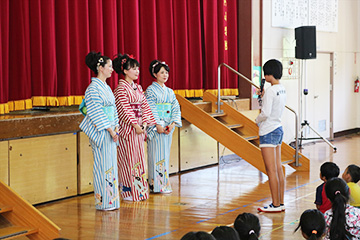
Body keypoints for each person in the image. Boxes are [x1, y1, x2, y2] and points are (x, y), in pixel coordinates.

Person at [79, 51, 120, 210]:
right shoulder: (92, 89)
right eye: (109, 66)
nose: (111, 69)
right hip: (102, 131)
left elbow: (113, 109)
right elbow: (95, 111)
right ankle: (103, 201)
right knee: (102, 166)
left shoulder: (107, 88)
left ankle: (113, 199)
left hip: (111, 130)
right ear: (100, 68)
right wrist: (110, 129)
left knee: (111, 165)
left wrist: (116, 127)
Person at [113, 53, 156, 202]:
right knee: (127, 160)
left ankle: (140, 190)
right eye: (133, 68)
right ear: (124, 71)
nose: (137, 71)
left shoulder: (137, 88)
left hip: (139, 128)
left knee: (139, 159)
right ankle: (128, 191)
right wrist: (135, 124)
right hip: (128, 129)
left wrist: (144, 123)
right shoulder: (120, 89)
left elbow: (144, 105)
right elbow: (124, 109)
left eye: (137, 68)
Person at [145, 60, 182, 193]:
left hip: (168, 126)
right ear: (155, 74)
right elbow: (151, 108)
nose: (165, 75)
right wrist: (158, 124)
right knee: (155, 155)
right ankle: (155, 184)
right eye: (162, 72)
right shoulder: (150, 90)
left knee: (165, 155)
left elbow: (175, 108)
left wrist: (172, 124)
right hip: (157, 128)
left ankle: (163, 184)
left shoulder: (170, 92)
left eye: (166, 72)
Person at [255, 59, 287, 213]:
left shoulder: (271, 91)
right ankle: (280, 202)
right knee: (278, 168)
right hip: (278, 128)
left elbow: (265, 113)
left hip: (268, 131)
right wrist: (262, 97)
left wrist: (257, 120)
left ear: (269, 74)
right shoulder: (281, 89)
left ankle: (275, 204)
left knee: (271, 170)